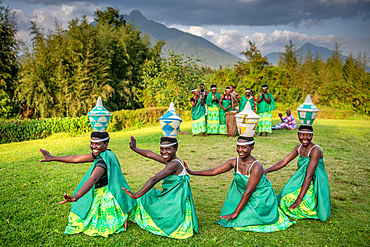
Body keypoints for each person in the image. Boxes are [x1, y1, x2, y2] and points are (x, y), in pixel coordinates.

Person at [184, 136, 295, 232]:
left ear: (251, 148)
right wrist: (193, 172)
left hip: (261, 197)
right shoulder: (234, 162)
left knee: (242, 219)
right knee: (239, 220)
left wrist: (235, 212)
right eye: (238, 146)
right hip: (247, 195)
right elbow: (214, 171)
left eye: (244, 147)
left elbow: (249, 192)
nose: (240, 150)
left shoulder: (256, 166)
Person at [39, 132, 136, 237]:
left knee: (86, 220)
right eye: (92, 143)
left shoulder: (102, 160)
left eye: (97, 144)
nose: (93, 146)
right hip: (111, 190)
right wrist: (53, 158)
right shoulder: (106, 153)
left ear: (106, 144)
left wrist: (76, 196)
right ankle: (121, 215)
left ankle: (120, 217)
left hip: (107, 194)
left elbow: (93, 179)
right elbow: (76, 158)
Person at [122, 136, 198, 239]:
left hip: (176, 199)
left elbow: (154, 179)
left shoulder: (174, 164)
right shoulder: (171, 160)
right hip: (171, 195)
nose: (164, 152)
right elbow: (150, 154)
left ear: (175, 149)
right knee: (148, 195)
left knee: (146, 197)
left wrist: (136, 195)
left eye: (168, 149)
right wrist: (135, 149)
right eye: (161, 149)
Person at [264, 125, 331, 221]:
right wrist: (267, 170)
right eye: (302, 135)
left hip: (315, 181)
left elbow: (309, 175)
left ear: (312, 136)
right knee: (284, 200)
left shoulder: (316, 150)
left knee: (305, 207)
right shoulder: (298, 148)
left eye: (308, 135)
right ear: (298, 135)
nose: (305, 138)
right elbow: (284, 161)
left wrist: (299, 198)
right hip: (302, 180)